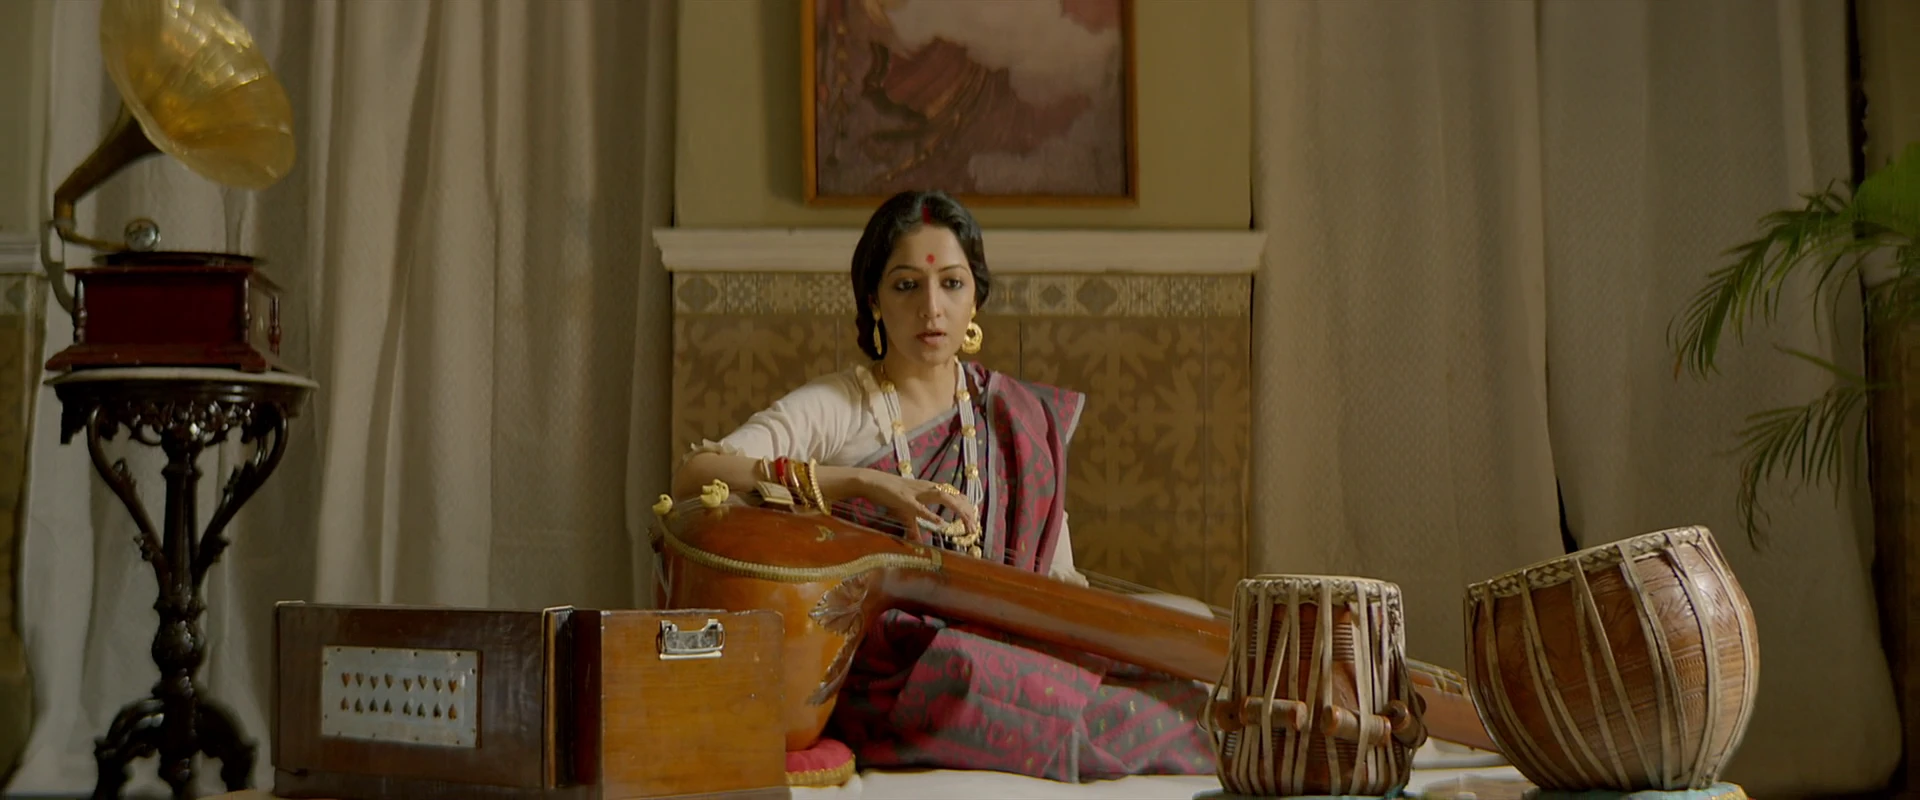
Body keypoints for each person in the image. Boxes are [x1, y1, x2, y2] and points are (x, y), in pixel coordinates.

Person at [672, 190, 1214, 783]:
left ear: (975, 296)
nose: (931, 308)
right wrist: (866, 482)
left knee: (1180, 669)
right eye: (907, 285)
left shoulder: (1016, 417)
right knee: (973, 665)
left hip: (1011, 641)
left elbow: (1059, 581)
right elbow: (698, 472)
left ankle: (1252, 733)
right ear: (874, 300)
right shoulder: (842, 405)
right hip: (896, 673)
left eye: (951, 284)